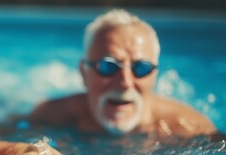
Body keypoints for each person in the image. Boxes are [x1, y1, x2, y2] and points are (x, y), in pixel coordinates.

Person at [30, 9, 216, 138]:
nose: (125, 82)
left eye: (141, 68)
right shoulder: (50, 116)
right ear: (83, 73)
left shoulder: (189, 127)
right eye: (108, 66)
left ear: (155, 75)